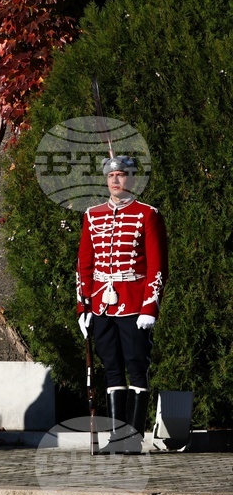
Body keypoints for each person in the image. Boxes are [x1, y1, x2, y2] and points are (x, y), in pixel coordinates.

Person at [77, 155, 167, 454]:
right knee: (112, 371)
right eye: (111, 175)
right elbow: (84, 265)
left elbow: (157, 266)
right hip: (101, 305)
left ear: (132, 179)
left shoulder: (147, 214)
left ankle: (134, 439)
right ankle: (117, 438)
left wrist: (150, 307)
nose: (115, 180)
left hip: (134, 305)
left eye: (122, 175)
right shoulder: (92, 215)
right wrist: (83, 307)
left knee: (136, 369)